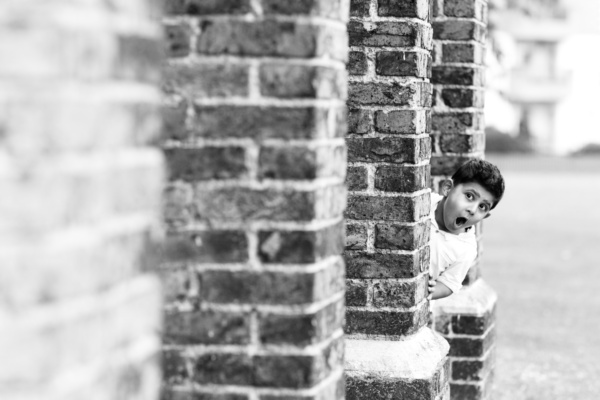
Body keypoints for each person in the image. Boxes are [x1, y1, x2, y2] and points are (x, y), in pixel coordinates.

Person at [428, 159, 505, 300]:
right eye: (469, 196)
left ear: (485, 216)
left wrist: (431, 291)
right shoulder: (424, 202)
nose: (473, 210)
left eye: (482, 207)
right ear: (447, 188)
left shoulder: (466, 248)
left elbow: (449, 283)